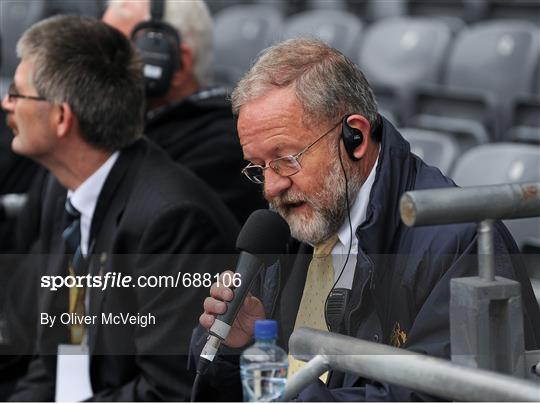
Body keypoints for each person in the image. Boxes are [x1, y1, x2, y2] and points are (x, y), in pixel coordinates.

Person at [193, 38, 540, 401]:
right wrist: (241, 348)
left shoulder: (457, 244)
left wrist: (289, 388)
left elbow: (436, 396)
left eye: (286, 159)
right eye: (259, 167)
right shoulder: (289, 216)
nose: (271, 186)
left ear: (354, 138)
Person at [2, 15, 239, 401]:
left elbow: (167, 392)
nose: (5, 103)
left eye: (17, 92)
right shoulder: (59, 189)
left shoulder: (171, 219)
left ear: (61, 118)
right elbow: (50, 365)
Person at [102, 0, 266, 224]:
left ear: (178, 64)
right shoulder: (130, 128)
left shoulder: (223, 149)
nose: (95, 63)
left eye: (113, 49)